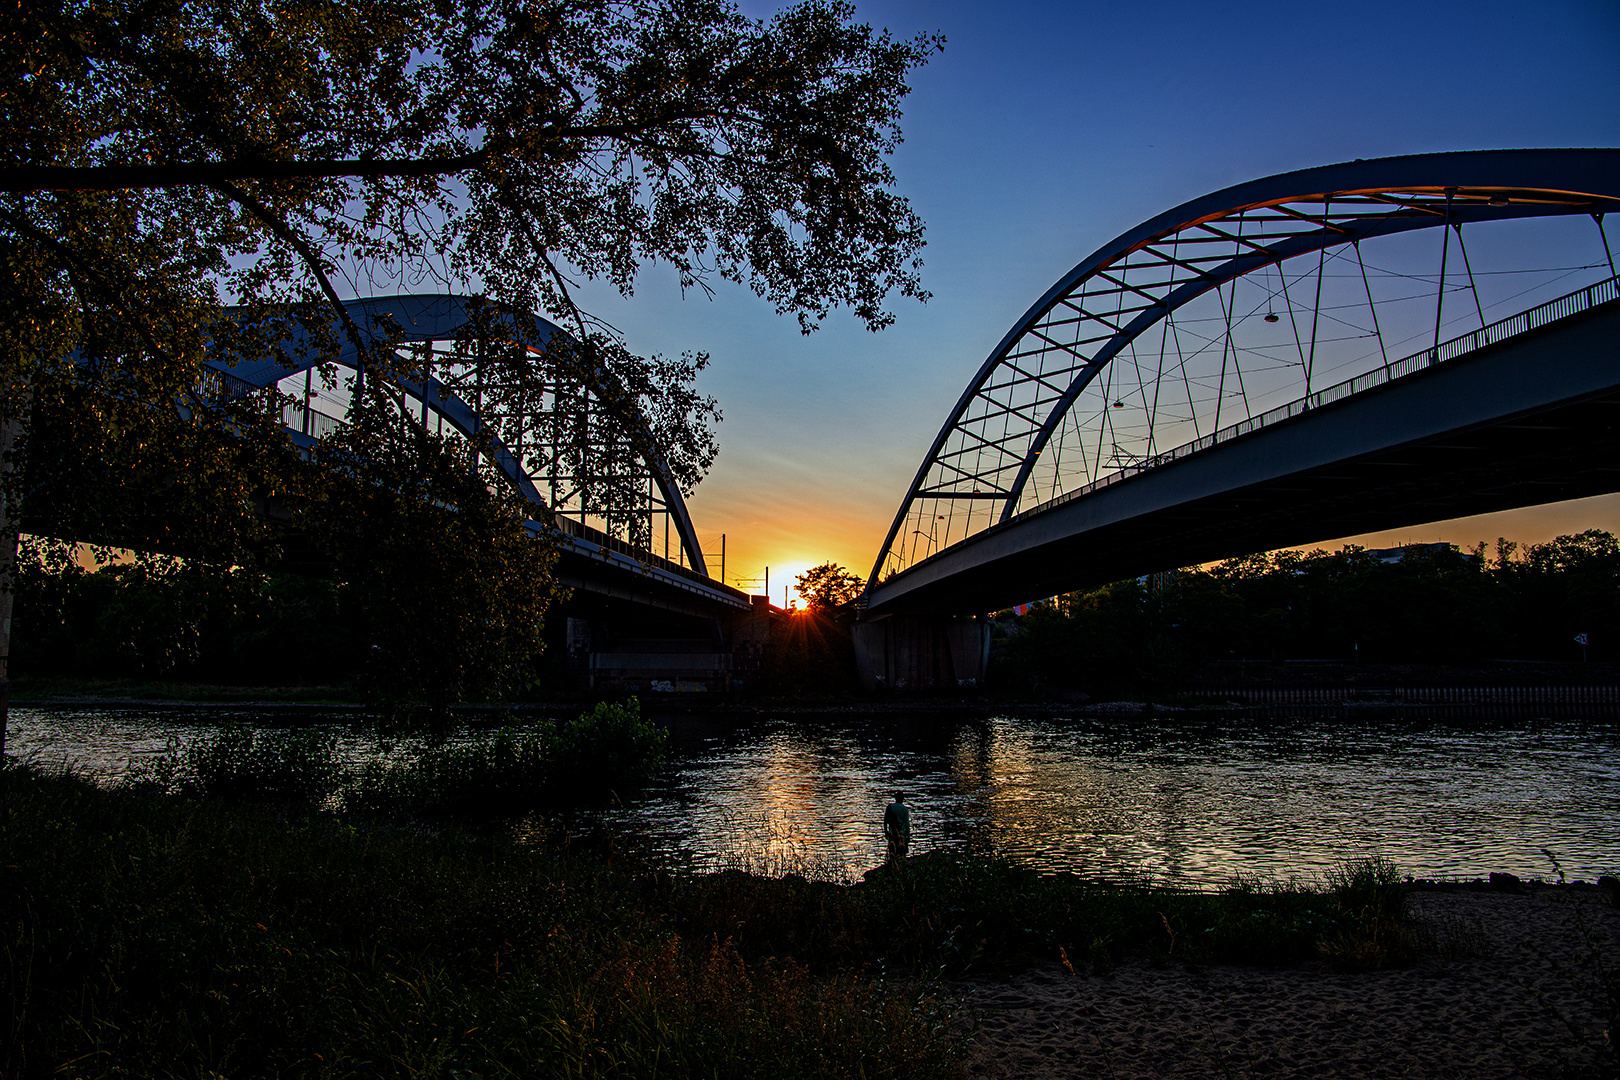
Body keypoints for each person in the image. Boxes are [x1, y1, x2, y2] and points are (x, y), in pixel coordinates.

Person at [884, 791, 911, 865]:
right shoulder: (905, 809)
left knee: (892, 855)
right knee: (902, 855)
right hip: (902, 835)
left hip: (892, 834)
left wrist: (886, 832)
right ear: (902, 799)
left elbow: (885, 821)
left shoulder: (889, 807)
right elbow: (907, 825)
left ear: (895, 798)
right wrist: (908, 836)